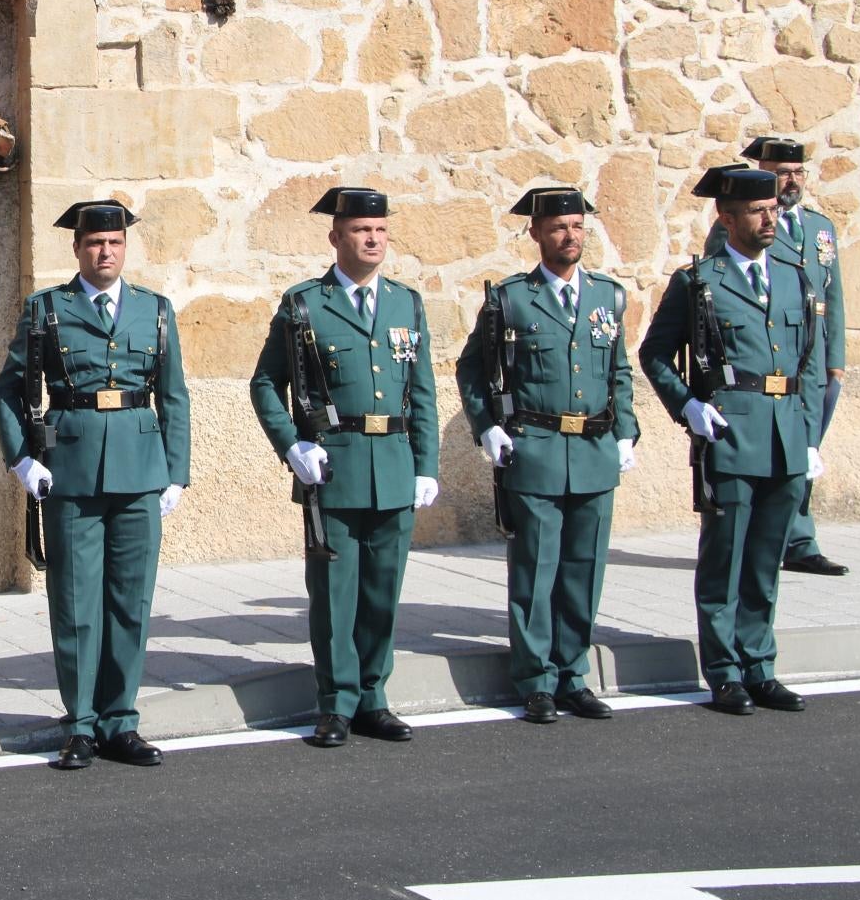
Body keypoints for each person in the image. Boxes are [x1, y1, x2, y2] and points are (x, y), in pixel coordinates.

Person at [0, 200, 190, 770]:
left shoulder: (155, 310)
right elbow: (9, 389)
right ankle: (80, 723)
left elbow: (173, 395)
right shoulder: (48, 310)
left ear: (125, 248)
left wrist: (175, 471)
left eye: (115, 243)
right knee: (76, 603)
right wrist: (22, 461)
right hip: (72, 472)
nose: (106, 252)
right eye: (95, 243)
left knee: (131, 601)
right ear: (77, 249)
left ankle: (120, 720)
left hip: (140, 470)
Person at [248, 187, 439, 747]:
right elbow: (265, 383)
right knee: (335, 593)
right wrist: (291, 445)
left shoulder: (406, 303)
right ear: (336, 238)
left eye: (379, 230)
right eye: (360, 230)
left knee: (383, 590)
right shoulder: (306, 302)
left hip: (395, 466)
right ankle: (335, 702)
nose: (373, 238)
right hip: (333, 470)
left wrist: (425, 464)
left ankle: (374, 698)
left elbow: (421, 391)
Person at [640, 166, 823, 714]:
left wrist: (811, 433)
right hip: (731, 433)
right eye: (757, 211)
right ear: (727, 217)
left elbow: (809, 360)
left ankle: (760, 664)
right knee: (726, 557)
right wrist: (689, 405)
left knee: (766, 559)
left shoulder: (795, 275)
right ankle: (724, 671)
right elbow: (654, 354)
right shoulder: (700, 282)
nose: (770, 219)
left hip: (786, 434)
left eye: (772, 209)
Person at [454, 187, 640, 725]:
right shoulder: (510, 300)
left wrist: (626, 431)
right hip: (534, 451)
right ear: (535, 234)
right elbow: (472, 369)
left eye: (578, 226)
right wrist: (486, 425)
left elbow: (618, 372)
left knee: (584, 570)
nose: (570, 235)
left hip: (594, 450)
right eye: (558, 227)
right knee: (536, 571)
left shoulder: (608, 297)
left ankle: (572, 673)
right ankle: (535, 678)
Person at [704, 137, 846, 576]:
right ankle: (789, 541)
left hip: (813, 358)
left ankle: (798, 537)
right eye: (781, 173)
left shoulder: (820, 227)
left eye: (797, 173)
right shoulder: (739, 229)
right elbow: (718, 298)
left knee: (806, 450)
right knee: (782, 455)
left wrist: (836, 356)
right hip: (766, 359)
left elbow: (833, 296)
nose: (791, 181)